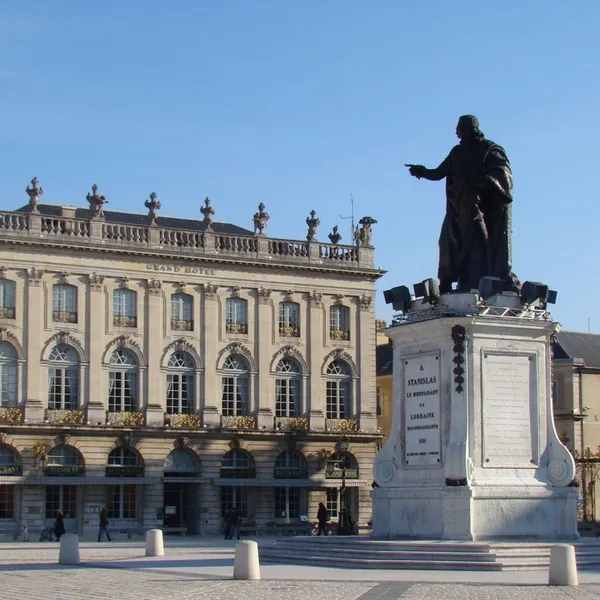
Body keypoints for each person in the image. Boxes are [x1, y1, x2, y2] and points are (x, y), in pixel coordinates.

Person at [407, 115, 518, 294]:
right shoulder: (457, 152)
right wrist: (422, 171)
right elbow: (439, 172)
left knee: (476, 244)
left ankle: (475, 281)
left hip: (477, 207)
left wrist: (482, 183)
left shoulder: (489, 149)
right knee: (446, 242)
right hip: (456, 207)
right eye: (457, 128)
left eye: (460, 128)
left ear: (471, 129)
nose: (457, 132)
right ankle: (446, 281)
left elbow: (502, 174)